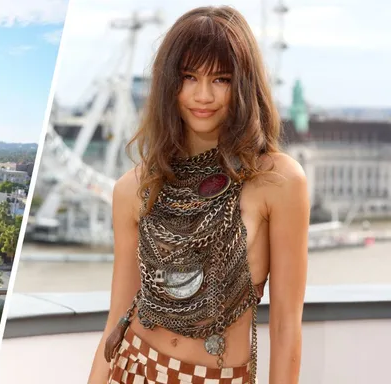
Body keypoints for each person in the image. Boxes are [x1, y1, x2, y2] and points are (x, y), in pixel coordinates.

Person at [88, 6, 308, 384]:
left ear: (243, 84)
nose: (202, 95)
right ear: (168, 83)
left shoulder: (278, 180)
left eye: (220, 79)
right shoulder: (132, 188)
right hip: (133, 368)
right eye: (189, 76)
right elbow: (117, 317)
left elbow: (287, 326)